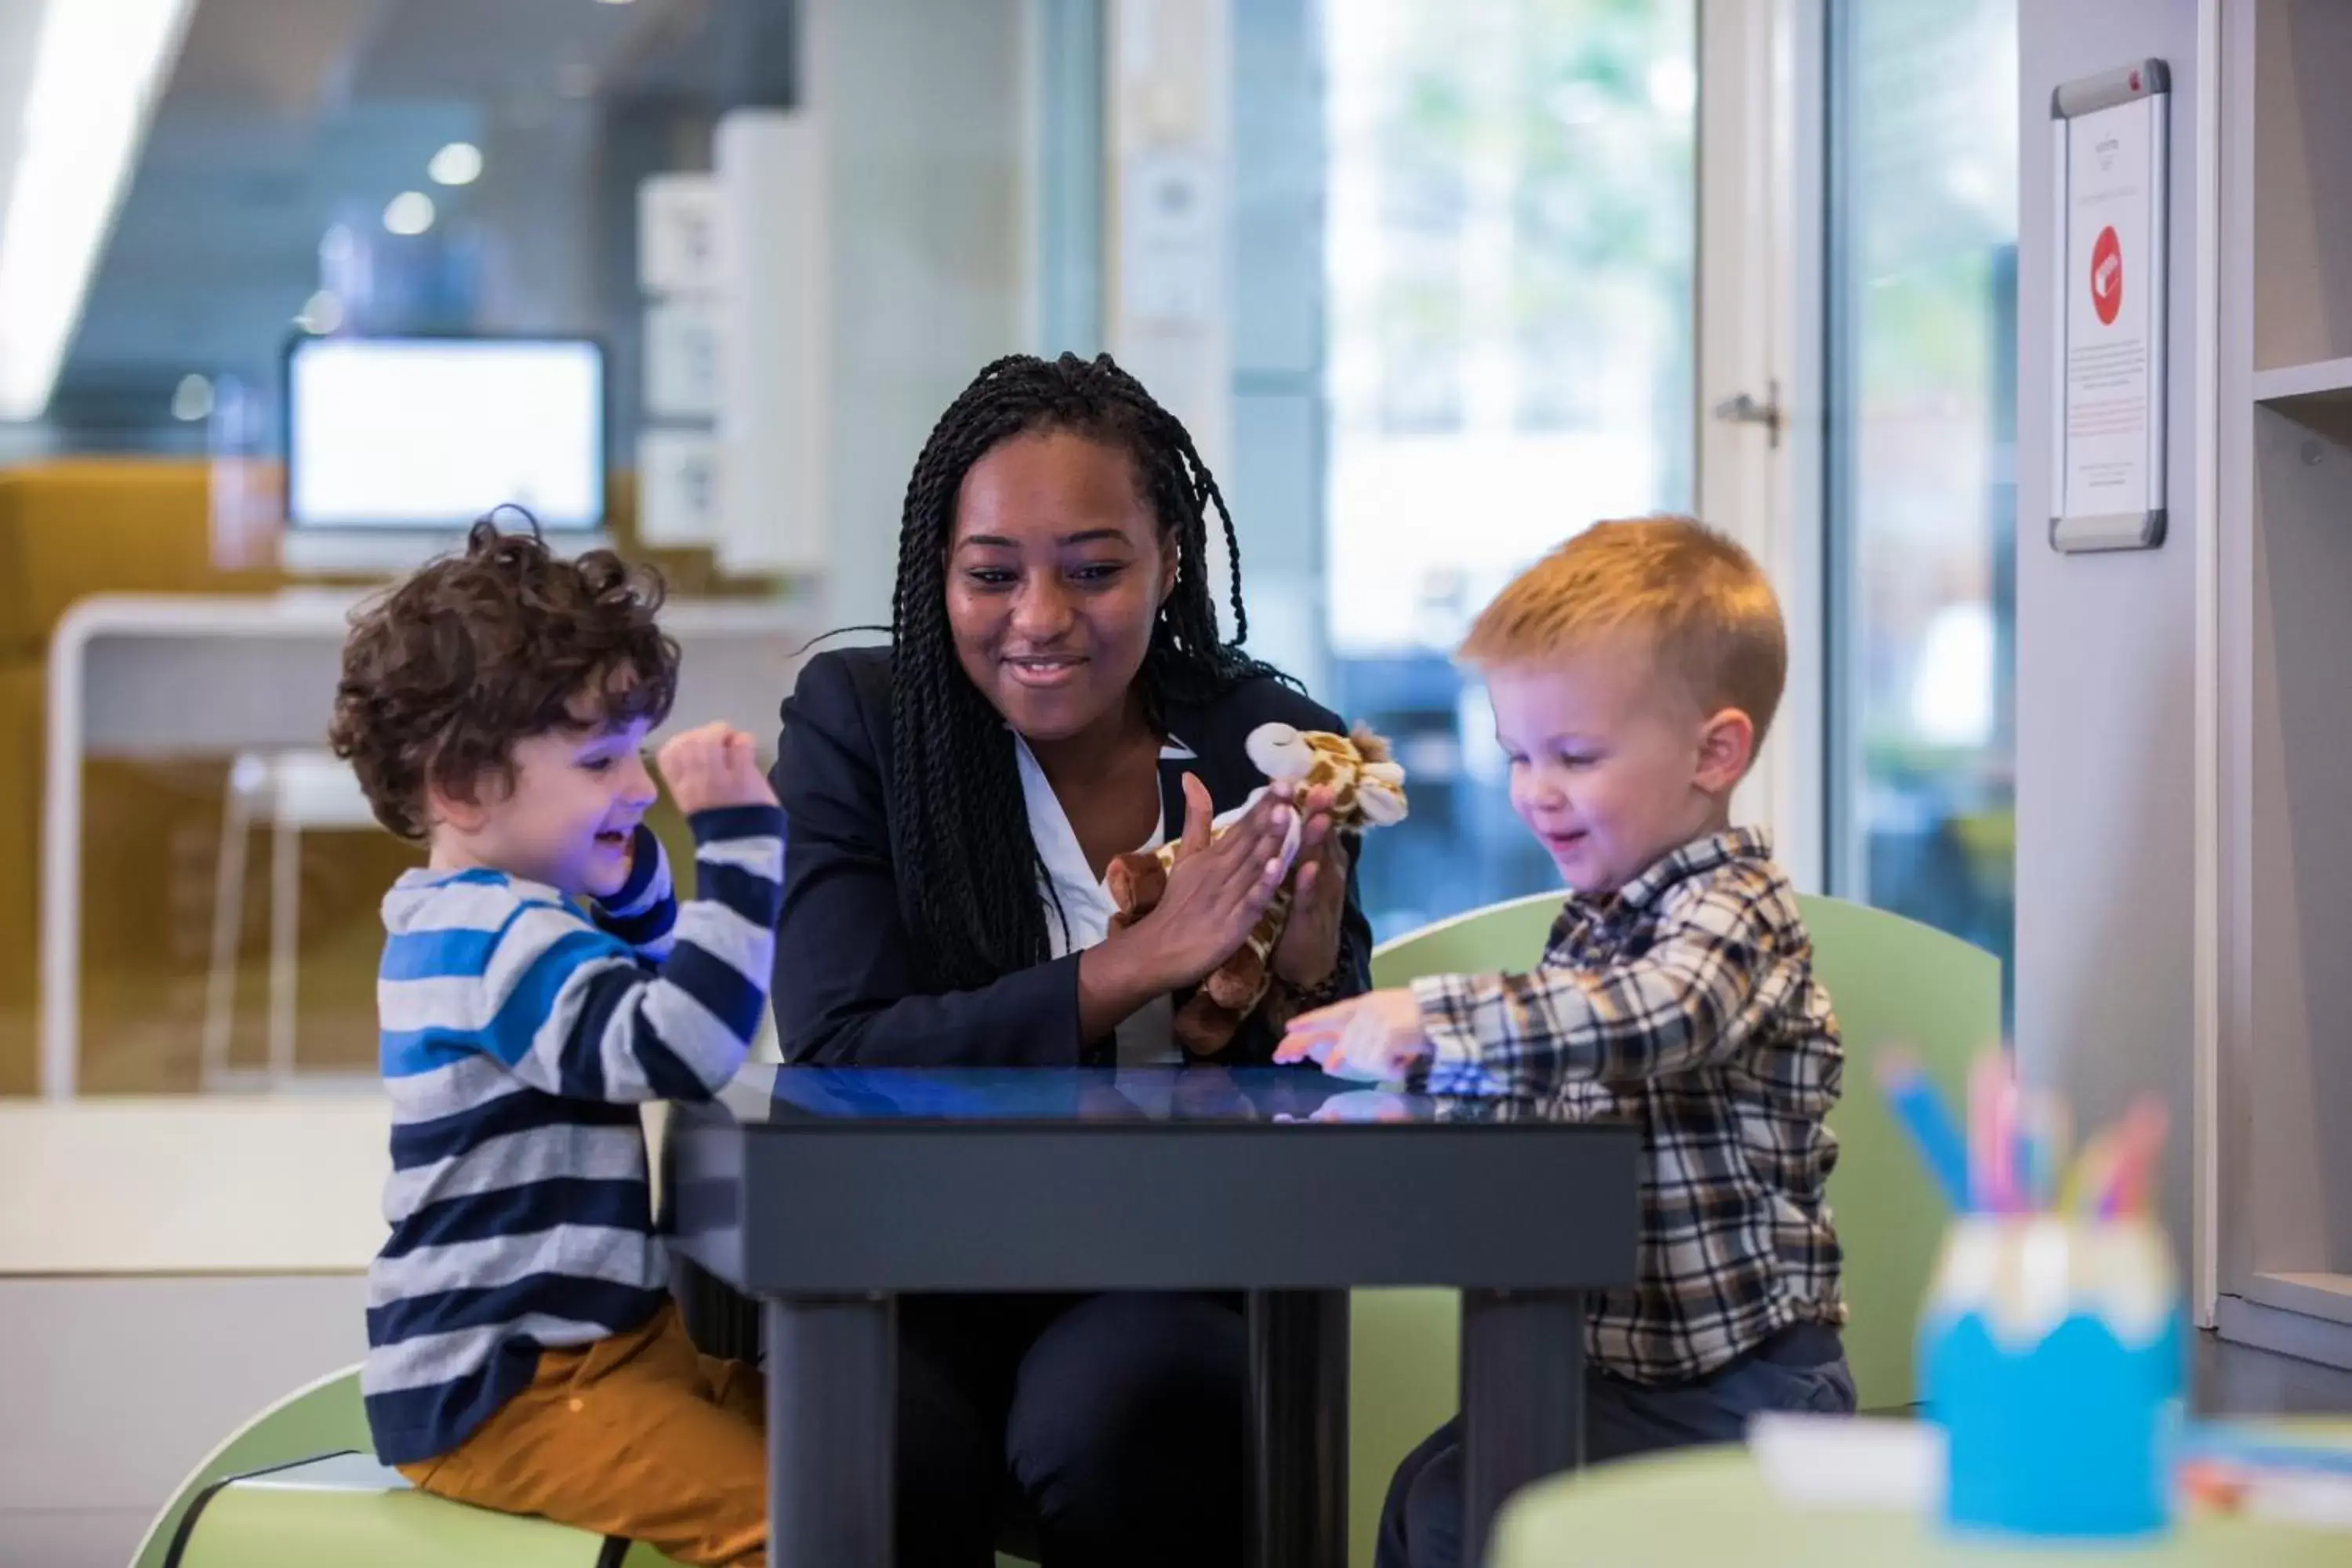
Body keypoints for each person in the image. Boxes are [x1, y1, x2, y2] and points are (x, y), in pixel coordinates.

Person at [771, 352, 1373, 1564]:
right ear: (937, 571)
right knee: (880, 1446)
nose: (1039, 618)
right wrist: (1136, 962)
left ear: (1171, 563)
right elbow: (839, 1050)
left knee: (1131, 1416)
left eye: (1094, 571)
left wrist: (1311, 973)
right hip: (915, 1264)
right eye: (991, 574)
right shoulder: (863, 724)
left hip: (1168, 1262)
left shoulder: (1258, 736)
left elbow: (1325, 1093)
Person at [1276, 517, 1855, 1568]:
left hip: (1743, 1389)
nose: (1536, 791)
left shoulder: (1733, 912)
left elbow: (1654, 1017)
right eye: (1518, 756)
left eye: (1576, 757)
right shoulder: (1596, 920)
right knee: (1426, 1493)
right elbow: (1542, 1085)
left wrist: (1437, 1017)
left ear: (1714, 751)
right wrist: (1409, 1077)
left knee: (1467, 1514)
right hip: (1615, 1366)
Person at [329, 521, 786, 1566]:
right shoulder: (494, 938)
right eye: (599, 760)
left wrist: (625, 871)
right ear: (460, 786)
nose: (637, 785)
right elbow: (684, 1045)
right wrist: (741, 846)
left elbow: (662, 966)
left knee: (843, 1442)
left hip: (604, 1352)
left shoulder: (496, 917)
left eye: (633, 752)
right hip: (519, 1387)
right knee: (790, 1516)